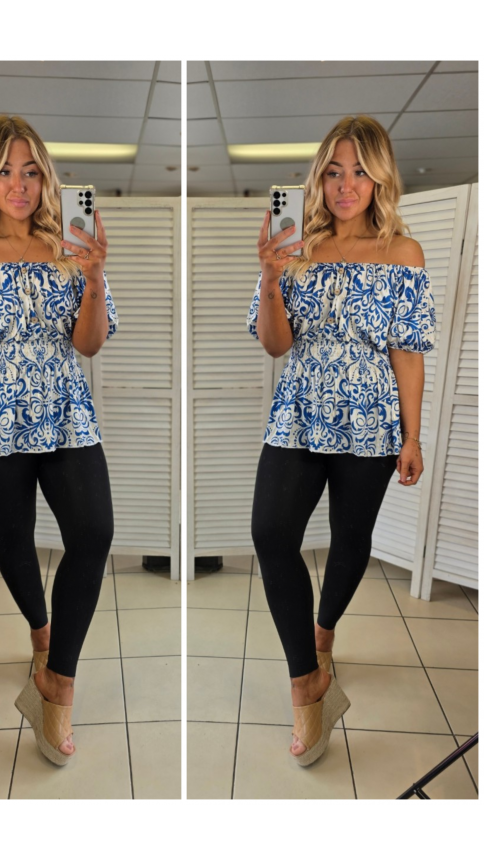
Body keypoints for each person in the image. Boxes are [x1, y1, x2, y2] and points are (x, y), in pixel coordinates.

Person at [0, 115, 118, 766]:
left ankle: (57, 680)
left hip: (66, 412)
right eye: (5, 171)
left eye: (31, 171)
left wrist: (93, 276)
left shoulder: (70, 246)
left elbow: (89, 343)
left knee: (93, 533)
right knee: (13, 539)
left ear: (46, 179)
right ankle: (40, 632)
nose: (19, 184)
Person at [247, 115, 435, 766]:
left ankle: (323, 632)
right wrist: (271, 276)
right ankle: (307, 679)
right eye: (333, 171)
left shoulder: (403, 253)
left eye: (359, 171)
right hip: (299, 412)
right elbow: (276, 343)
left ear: (380, 178)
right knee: (271, 533)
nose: (346, 184)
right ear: (318, 180)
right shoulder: (294, 247)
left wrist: (412, 436)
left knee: (351, 539)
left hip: (372, 421)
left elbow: (407, 352)